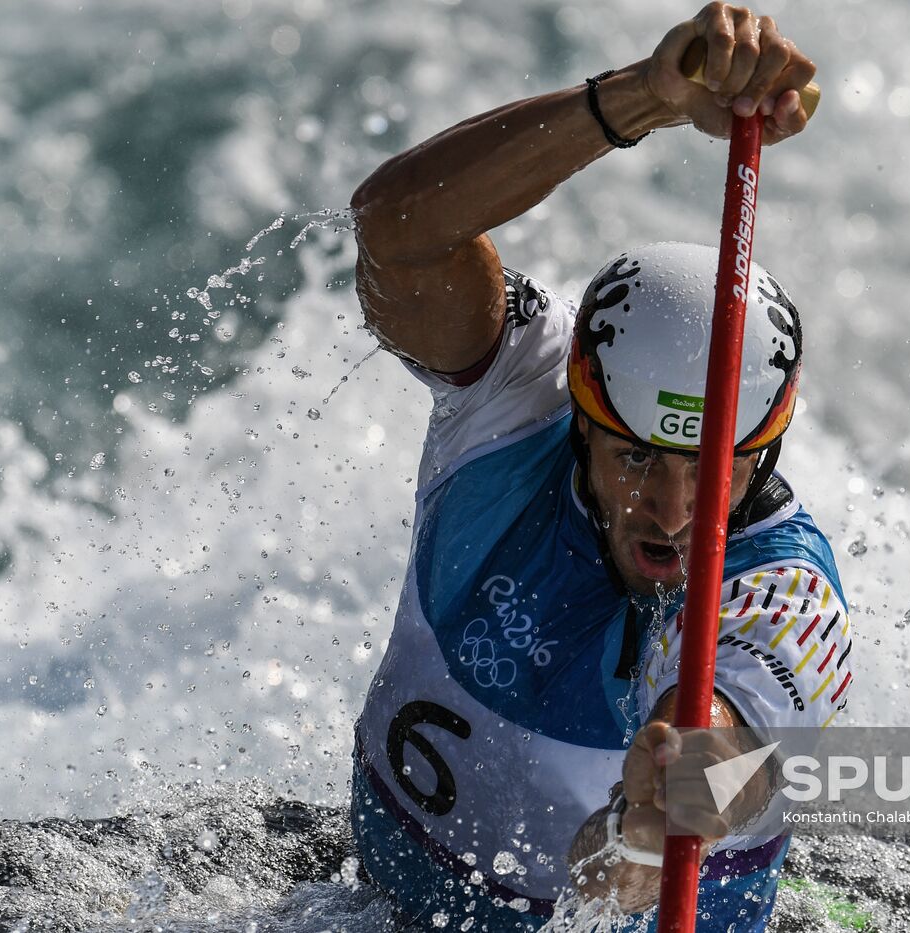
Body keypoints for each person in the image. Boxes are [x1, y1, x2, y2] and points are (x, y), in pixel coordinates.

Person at [347, 4, 852, 929]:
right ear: (581, 415)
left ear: (767, 448)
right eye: (635, 459)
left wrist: (648, 826)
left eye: (714, 467)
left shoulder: (788, 600)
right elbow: (396, 229)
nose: (673, 510)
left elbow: (710, 755)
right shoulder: (515, 392)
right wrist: (641, 99)